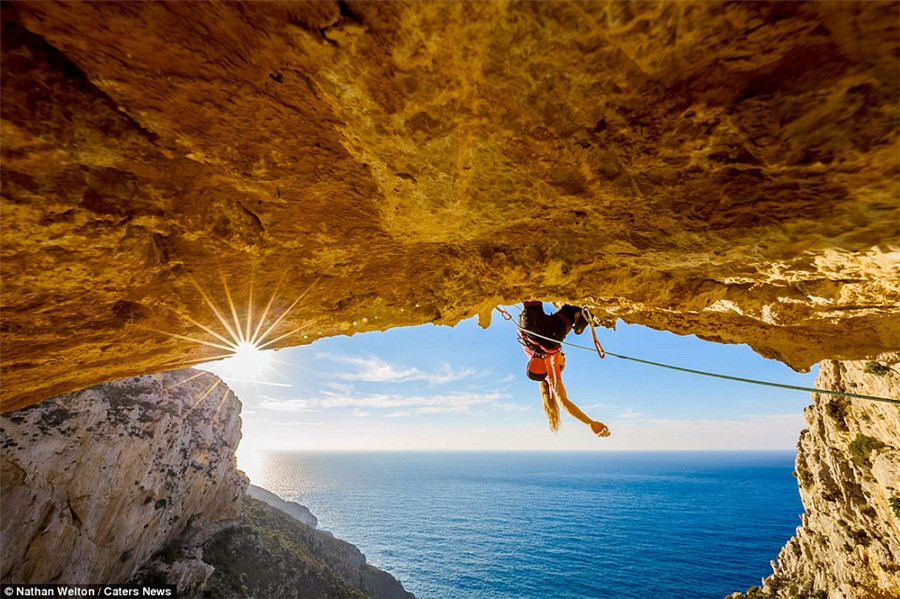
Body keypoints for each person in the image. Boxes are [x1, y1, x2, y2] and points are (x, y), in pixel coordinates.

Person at [518, 301, 610, 438]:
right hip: (527, 327)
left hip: (551, 336)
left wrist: (589, 423)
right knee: (530, 295)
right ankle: (578, 318)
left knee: (571, 311)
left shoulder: (552, 367)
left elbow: (563, 402)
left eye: (564, 359)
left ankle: (578, 315)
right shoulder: (529, 353)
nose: (564, 355)